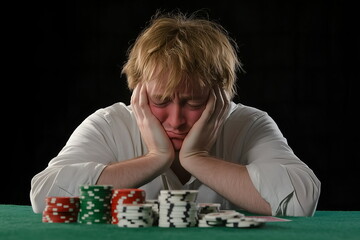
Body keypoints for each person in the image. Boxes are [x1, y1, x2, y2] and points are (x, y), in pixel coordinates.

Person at [30, 10, 320, 216]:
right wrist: (155, 159)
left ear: (220, 96)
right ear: (138, 93)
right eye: (160, 100)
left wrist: (197, 159)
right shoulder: (107, 124)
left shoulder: (250, 123)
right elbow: (43, 196)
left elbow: (302, 201)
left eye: (194, 103)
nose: (176, 120)